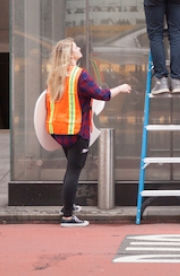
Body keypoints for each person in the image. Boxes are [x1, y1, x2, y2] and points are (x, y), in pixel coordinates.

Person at [45, 39, 132, 227]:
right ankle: (67, 216)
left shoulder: (56, 75)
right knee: (74, 171)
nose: (79, 48)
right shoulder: (79, 75)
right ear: (70, 55)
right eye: (75, 47)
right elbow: (102, 95)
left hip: (59, 129)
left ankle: (68, 205)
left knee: (70, 169)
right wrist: (121, 88)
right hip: (77, 130)